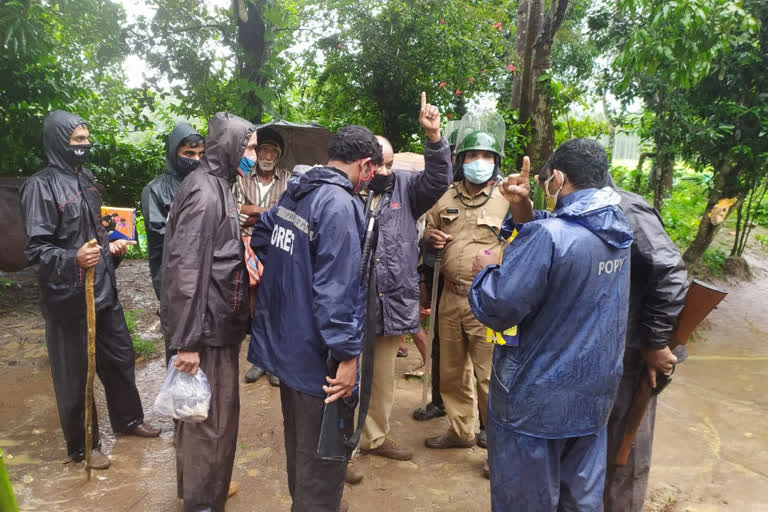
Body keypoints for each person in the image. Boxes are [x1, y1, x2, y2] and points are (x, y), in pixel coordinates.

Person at [469, 138, 633, 510]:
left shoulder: (551, 238)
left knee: (526, 500)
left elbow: (498, 306)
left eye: (546, 183)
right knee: (580, 500)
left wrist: (486, 273)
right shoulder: (617, 228)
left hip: (534, 403)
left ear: (558, 178)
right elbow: (556, 229)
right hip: (592, 398)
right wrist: (523, 205)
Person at [248, 124, 383, 512]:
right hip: (318, 362)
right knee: (323, 457)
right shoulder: (339, 205)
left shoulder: (297, 192)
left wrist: (294, 280)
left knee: (301, 449)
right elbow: (338, 293)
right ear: (366, 165)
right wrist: (347, 357)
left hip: (289, 349)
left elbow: (263, 236)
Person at [20, 110, 160, 470]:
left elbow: (97, 231)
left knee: (119, 358)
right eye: (77, 140)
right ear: (58, 142)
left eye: (86, 139)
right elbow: (37, 251)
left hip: (103, 290)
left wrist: (110, 246)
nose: (85, 146)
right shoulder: (41, 186)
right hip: (68, 299)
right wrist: (73, 257)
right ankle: (84, 446)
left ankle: (128, 421)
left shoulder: (89, 179)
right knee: (75, 373)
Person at [351, 94, 451, 481]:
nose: (386, 170)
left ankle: (375, 437)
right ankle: (341, 448)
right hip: (352, 302)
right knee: (345, 374)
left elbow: (440, 179)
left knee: (382, 377)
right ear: (364, 163)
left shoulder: (406, 188)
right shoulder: (346, 191)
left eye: (391, 163)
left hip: (390, 300)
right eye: (380, 163)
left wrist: (434, 136)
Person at [160, 112, 255, 512]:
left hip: (214, 324)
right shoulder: (204, 191)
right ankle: (202, 502)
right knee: (210, 424)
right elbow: (185, 270)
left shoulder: (219, 186)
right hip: (205, 330)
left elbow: (212, 256)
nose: (251, 155)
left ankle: (200, 489)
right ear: (229, 146)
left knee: (199, 418)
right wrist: (187, 342)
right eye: (248, 147)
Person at [421, 128, 508, 467]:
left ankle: (499, 450)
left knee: (489, 376)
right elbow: (428, 234)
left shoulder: (507, 198)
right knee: (452, 371)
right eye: (473, 156)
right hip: (450, 298)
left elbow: (525, 244)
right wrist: (429, 237)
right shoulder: (445, 197)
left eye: (487, 156)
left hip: (488, 301)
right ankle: (460, 431)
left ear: (495, 162)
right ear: (461, 161)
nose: (479, 162)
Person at [602, 176, 688, 510]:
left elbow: (670, 272)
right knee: (604, 447)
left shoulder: (626, 208)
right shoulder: (593, 210)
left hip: (636, 351)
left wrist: (654, 343)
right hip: (610, 349)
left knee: (627, 448)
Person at [234, 127, 290, 387]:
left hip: (278, 246)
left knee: (278, 300)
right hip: (247, 245)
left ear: (279, 156)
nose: (267, 155)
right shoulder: (242, 177)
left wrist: (254, 213)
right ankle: (260, 358)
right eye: (263, 150)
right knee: (255, 301)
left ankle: (275, 360)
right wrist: (264, 211)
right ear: (256, 153)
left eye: (273, 151)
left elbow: (289, 213)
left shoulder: (288, 179)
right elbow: (235, 213)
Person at [141, 123, 204, 304]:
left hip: (205, 268)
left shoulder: (207, 184)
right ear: (174, 152)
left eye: (201, 154)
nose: (196, 159)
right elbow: (159, 234)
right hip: (172, 270)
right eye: (189, 154)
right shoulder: (155, 189)